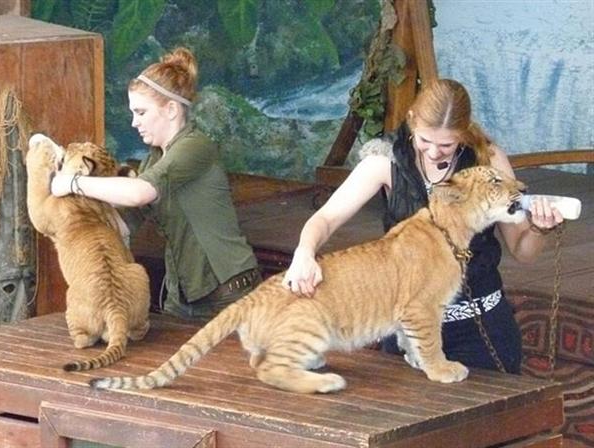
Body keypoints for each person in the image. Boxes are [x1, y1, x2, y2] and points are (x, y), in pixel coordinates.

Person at [282, 79, 564, 374]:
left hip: (480, 327)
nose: (433, 153)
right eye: (424, 141)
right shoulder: (384, 160)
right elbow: (325, 219)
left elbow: (524, 251)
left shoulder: (488, 160)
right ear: (412, 120)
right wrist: (304, 252)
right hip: (409, 330)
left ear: (464, 133)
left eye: (446, 145)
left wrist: (538, 228)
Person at [51, 47, 260, 321]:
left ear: (171, 109)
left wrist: (74, 183)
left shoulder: (195, 146)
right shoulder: (153, 161)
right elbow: (124, 225)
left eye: (141, 112)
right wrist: (65, 216)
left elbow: (138, 193)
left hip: (229, 295)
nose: (134, 122)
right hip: (183, 297)